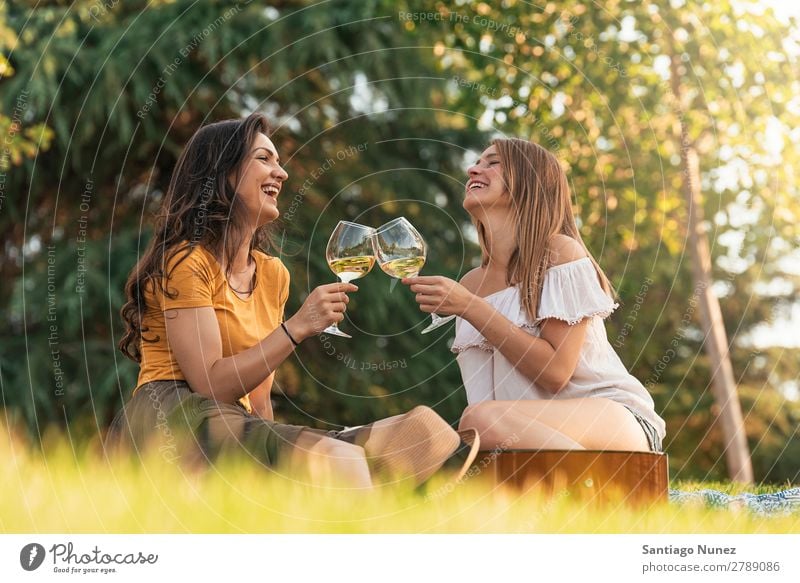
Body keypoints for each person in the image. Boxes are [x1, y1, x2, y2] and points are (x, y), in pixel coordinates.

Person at [108, 113, 476, 488]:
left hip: (233, 420)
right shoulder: (187, 262)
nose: (281, 173)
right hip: (171, 417)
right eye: (263, 159)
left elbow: (258, 396)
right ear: (222, 172)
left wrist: (277, 444)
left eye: (279, 162)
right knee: (341, 460)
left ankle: (363, 504)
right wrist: (297, 327)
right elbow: (209, 385)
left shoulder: (271, 274)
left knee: (426, 433)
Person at [402, 138, 665, 453]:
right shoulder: (472, 283)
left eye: (493, 163)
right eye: (477, 162)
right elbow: (489, 396)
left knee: (479, 422)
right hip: (523, 434)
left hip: (614, 418)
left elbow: (555, 373)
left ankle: (607, 489)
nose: (473, 169)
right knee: (470, 424)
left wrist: (470, 308)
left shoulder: (560, 252)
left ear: (529, 181)